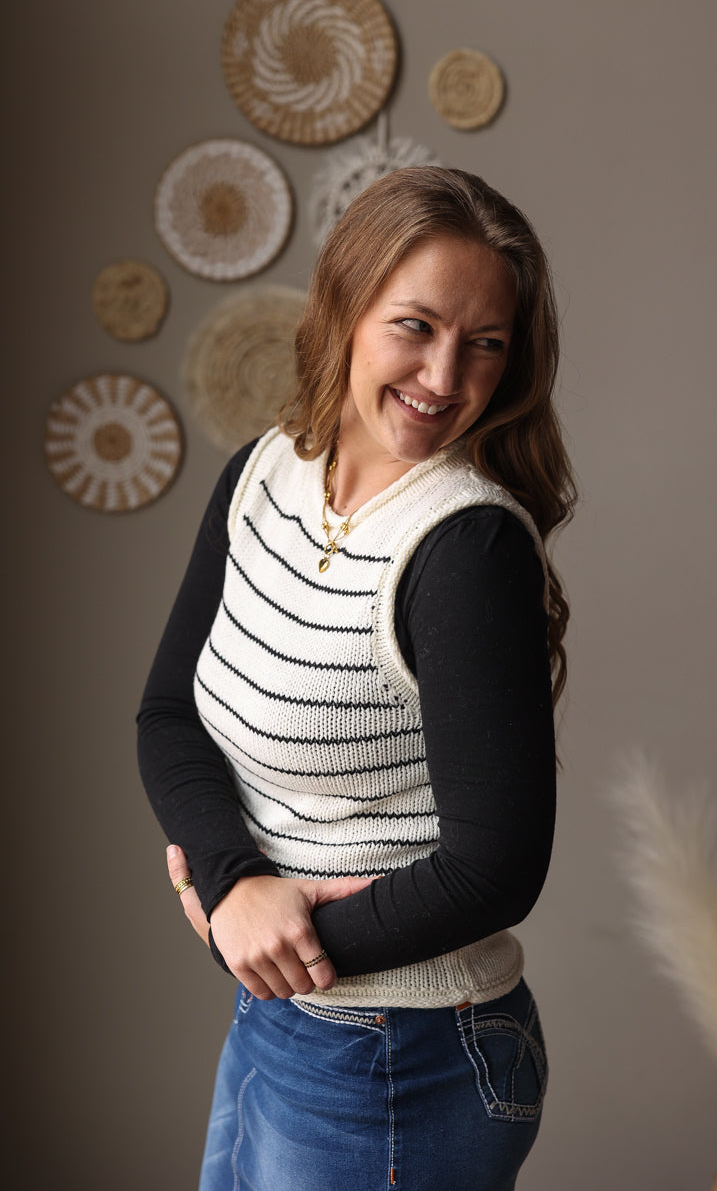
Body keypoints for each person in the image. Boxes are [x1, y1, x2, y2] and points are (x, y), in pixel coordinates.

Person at [137, 166, 575, 1191]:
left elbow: (496, 868)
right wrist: (232, 883)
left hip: (396, 1052)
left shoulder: (463, 545)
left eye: (485, 343)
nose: (444, 374)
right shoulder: (264, 474)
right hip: (286, 1022)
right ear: (344, 308)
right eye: (415, 326)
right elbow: (167, 713)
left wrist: (255, 940)